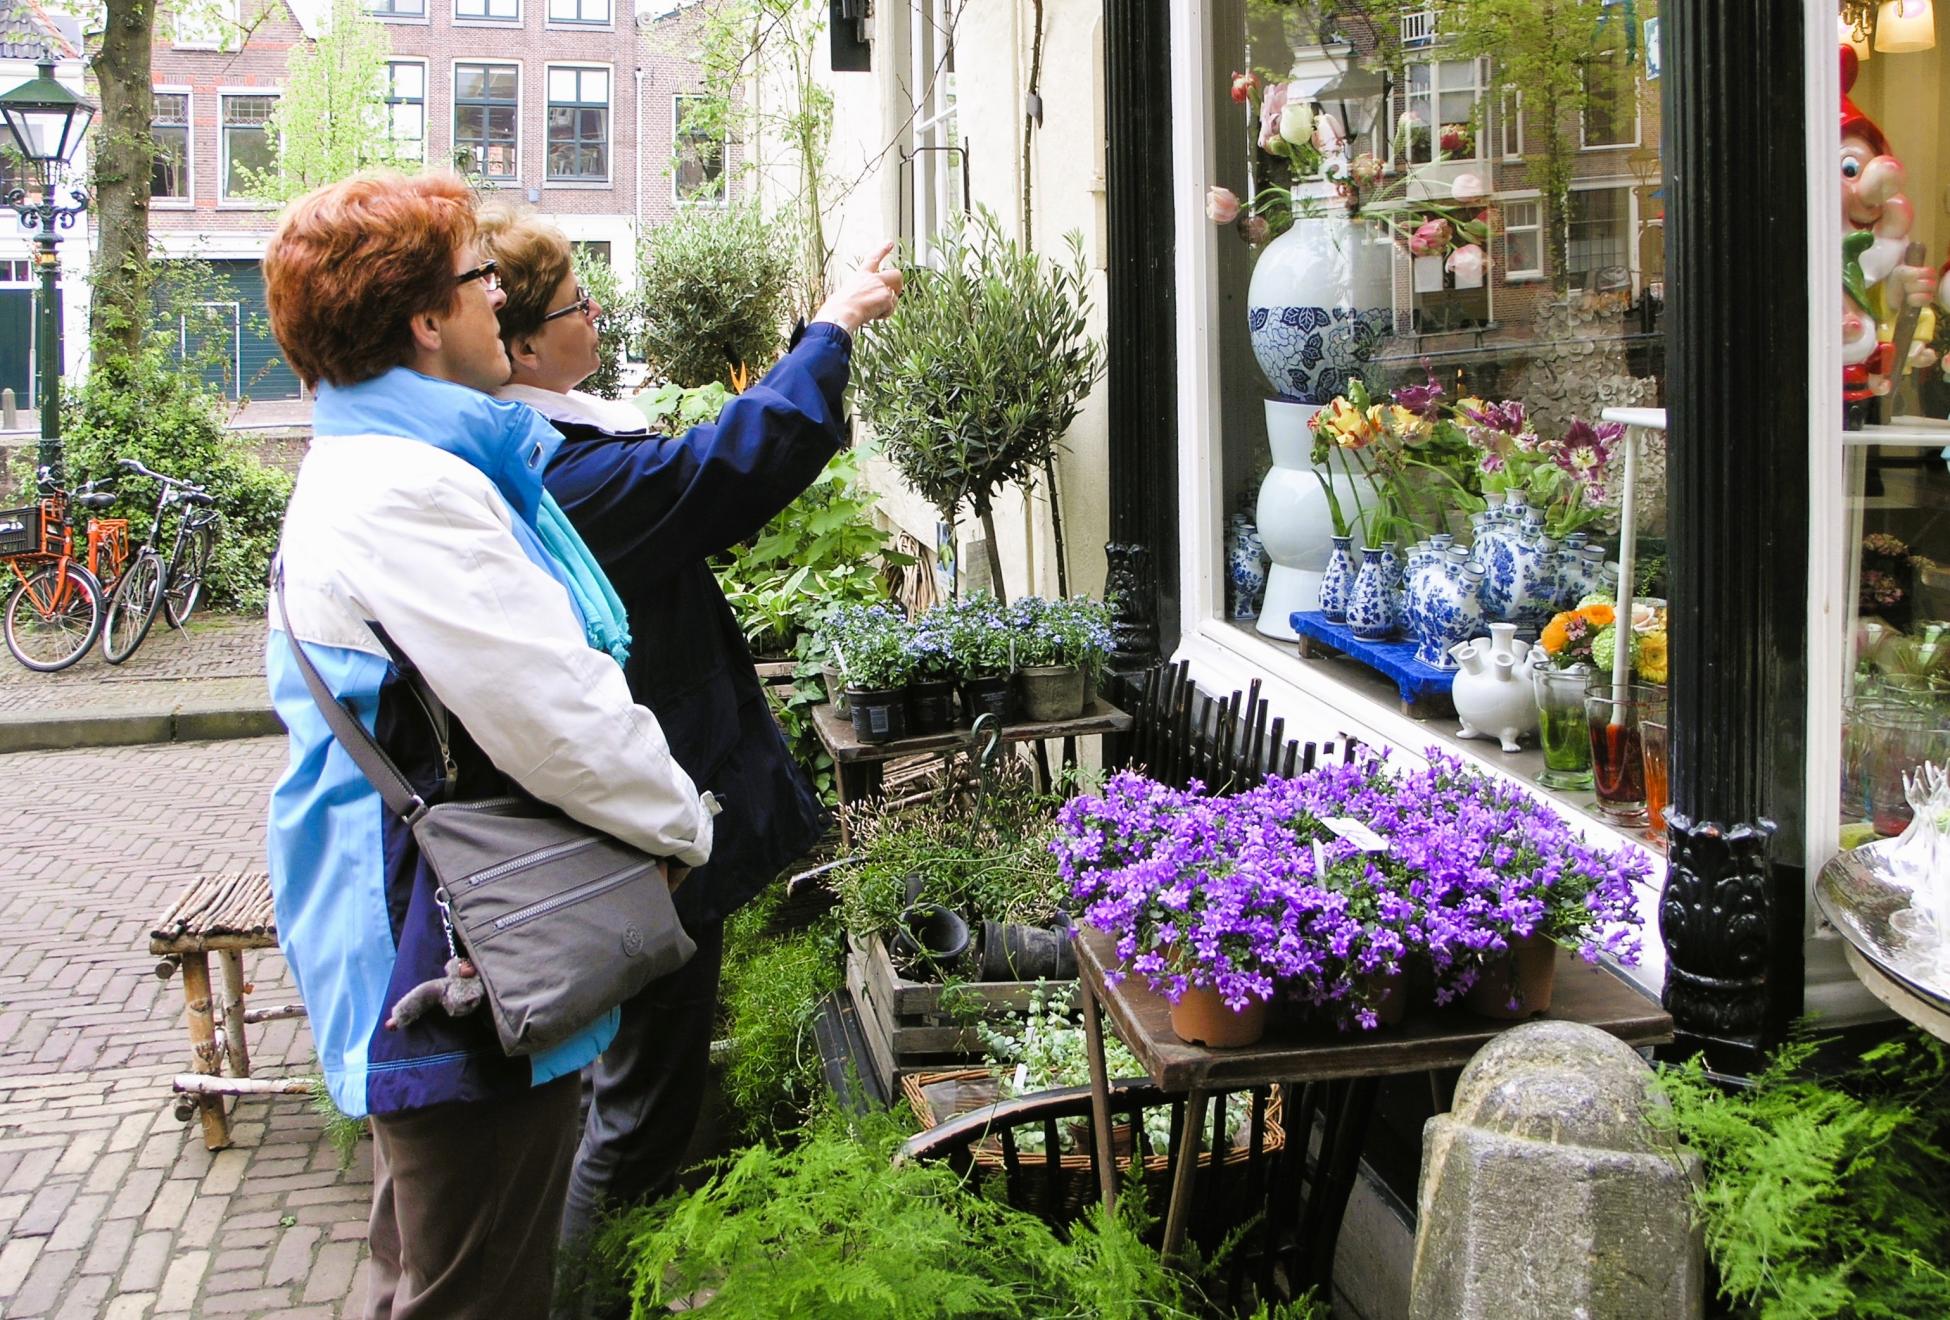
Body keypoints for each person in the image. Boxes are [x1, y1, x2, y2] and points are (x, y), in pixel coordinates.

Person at [261, 171, 719, 1320]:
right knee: (476, 1291)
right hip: (449, 962)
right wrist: (682, 823)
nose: (496, 302)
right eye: (479, 279)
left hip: (416, 943)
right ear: (424, 318)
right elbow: (551, 708)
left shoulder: (387, 467)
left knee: (425, 1268)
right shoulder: (405, 490)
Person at [474, 205, 899, 1258]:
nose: (597, 310)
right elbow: (721, 471)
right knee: (636, 1121)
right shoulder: (559, 472)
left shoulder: (543, 434)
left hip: (628, 827)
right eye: (578, 300)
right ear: (523, 342)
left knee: (630, 1099)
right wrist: (833, 326)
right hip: (632, 842)